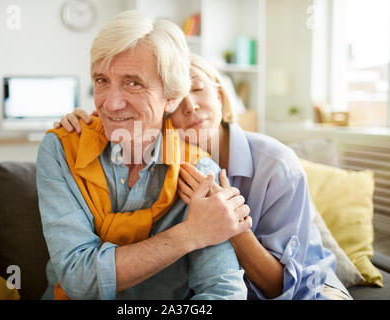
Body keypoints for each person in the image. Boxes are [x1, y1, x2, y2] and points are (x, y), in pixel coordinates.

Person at [56, 53, 352, 300]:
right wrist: (83, 125)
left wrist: (228, 224)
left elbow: (282, 286)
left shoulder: (276, 165)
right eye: (176, 98)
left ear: (220, 96)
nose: (190, 106)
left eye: (197, 89)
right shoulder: (162, 167)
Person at [37, 10, 251, 300]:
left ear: (172, 97)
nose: (110, 104)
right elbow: (79, 279)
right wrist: (190, 234)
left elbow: (223, 291)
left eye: (133, 83)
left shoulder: (199, 170)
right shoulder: (61, 149)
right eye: (101, 80)